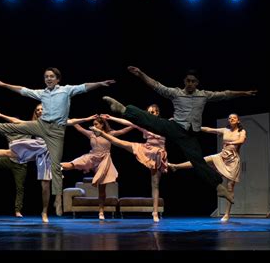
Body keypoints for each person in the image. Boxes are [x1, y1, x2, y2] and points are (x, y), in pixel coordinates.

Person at [0, 67, 115, 213]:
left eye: (51, 77)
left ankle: (58, 200)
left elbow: (84, 87)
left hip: (55, 133)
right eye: (46, 77)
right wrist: (5, 85)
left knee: (55, 167)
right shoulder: (42, 94)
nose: (48, 79)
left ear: (57, 79)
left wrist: (100, 84)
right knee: (13, 128)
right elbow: (23, 90)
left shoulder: (66, 90)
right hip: (41, 127)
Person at [103, 66, 256, 204]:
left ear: (197, 83)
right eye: (188, 81)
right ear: (185, 81)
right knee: (153, 122)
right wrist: (141, 74)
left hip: (189, 135)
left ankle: (219, 188)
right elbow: (156, 86)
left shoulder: (203, 95)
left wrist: (242, 93)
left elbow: (225, 94)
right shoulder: (176, 93)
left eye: (193, 81)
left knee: (198, 161)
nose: (190, 83)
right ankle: (123, 109)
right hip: (175, 127)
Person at [0, 105, 97, 223]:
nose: (40, 111)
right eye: (37, 110)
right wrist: (1, 115)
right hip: (38, 148)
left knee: (45, 185)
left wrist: (87, 118)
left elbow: (71, 121)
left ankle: (44, 212)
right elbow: (15, 121)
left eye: (42, 109)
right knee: (11, 152)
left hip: (50, 151)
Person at [89, 105, 168, 222]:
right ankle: (103, 134)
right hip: (146, 149)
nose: (152, 114)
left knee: (155, 184)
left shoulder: (165, 124)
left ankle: (155, 211)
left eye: (154, 112)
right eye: (150, 112)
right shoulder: (144, 124)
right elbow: (128, 122)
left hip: (158, 153)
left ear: (158, 113)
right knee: (121, 143)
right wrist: (111, 118)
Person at [168, 113, 246, 222]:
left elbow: (241, 140)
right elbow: (209, 129)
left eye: (234, 118)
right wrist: (193, 127)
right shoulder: (225, 130)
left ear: (238, 120)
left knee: (230, 186)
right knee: (201, 160)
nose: (231, 119)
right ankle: (176, 166)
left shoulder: (241, 131)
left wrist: (230, 142)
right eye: (229, 118)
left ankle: (227, 214)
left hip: (233, 160)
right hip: (222, 156)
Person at [61, 115, 133, 220]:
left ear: (102, 125)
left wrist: (134, 126)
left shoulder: (109, 134)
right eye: (93, 124)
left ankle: (101, 211)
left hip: (104, 160)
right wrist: (71, 118)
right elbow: (78, 127)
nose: (93, 126)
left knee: (102, 188)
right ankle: (55, 167)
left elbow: (123, 131)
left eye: (96, 124)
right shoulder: (91, 134)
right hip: (92, 157)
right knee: (74, 163)